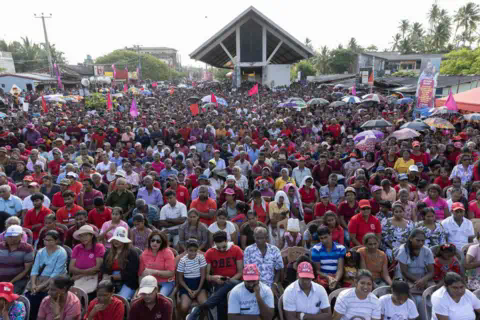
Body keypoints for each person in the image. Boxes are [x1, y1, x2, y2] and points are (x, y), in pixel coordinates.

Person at [187, 231, 244, 320]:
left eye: (224, 247)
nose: (221, 250)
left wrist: (229, 281)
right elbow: (207, 276)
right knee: (221, 298)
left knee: (224, 287)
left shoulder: (236, 249)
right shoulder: (210, 253)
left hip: (236, 281)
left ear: (227, 241)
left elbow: (240, 272)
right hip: (219, 282)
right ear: (214, 244)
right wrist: (214, 277)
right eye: (218, 247)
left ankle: (200, 308)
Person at [26, 230, 67, 320]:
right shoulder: (41, 251)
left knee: (45, 298)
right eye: (45, 240)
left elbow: (56, 273)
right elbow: (35, 269)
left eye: (50, 240)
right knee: (30, 298)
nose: (47, 242)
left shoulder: (62, 253)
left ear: (56, 241)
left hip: (55, 279)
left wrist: (41, 286)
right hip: (40, 278)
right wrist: (33, 284)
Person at [396, 228, 434, 320]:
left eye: (422, 241)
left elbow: (431, 272)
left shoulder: (427, 251)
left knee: (432, 291)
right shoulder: (403, 249)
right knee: (416, 298)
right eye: (418, 240)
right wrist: (418, 281)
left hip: (422, 278)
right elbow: (404, 272)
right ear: (411, 239)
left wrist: (423, 280)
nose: (420, 243)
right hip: (406, 278)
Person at [100, 227, 139, 300]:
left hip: (128, 282)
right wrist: (105, 280)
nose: (116, 241)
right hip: (110, 279)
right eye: (115, 239)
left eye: (119, 239)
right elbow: (104, 269)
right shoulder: (108, 252)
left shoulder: (132, 253)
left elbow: (131, 273)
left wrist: (112, 277)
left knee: (121, 299)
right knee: (103, 296)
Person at [244, 227, 283, 292]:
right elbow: (247, 271)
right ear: (254, 237)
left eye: (262, 238)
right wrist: (253, 286)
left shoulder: (275, 250)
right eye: (257, 238)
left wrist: (275, 284)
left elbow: (279, 270)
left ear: (266, 237)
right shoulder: (248, 250)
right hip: (254, 285)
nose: (259, 240)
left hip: (271, 284)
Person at [69, 225, 105, 297]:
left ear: (91, 236)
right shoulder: (77, 248)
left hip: (93, 277)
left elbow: (97, 267)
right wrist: (84, 273)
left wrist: (81, 274)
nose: (83, 238)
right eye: (81, 236)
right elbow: (71, 268)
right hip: (77, 277)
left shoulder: (99, 247)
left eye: (86, 235)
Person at [177, 239, 208, 319]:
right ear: (186, 250)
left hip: (199, 284)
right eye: (190, 250)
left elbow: (203, 276)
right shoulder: (182, 261)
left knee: (204, 304)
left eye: (195, 250)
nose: (193, 253)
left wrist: (198, 290)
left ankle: (200, 318)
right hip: (187, 285)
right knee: (184, 307)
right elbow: (180, 279)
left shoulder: (201, 258)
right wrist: (188, 290)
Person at [138, 231, 175, 297]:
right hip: (150, 283)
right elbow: (141, 274)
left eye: (158, 241)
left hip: (166, 282)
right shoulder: (145, 253)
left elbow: (171, 273)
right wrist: (141, 287)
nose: (155, 243)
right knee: (140, 297)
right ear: (149, 241)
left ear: (162, 243)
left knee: (159, 298)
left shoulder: (168, 252)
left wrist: (154, 272)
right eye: (153, 240)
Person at [0, 225, 34, 294]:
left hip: (17, 282)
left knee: (8, 298)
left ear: (21, 236)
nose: (11, 238)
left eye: (14, 236)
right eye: (9, 236)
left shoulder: (27, 248)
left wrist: (10, 282)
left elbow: (26, 270)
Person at [310, 225, 346, 291]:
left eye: (326, 237)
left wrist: (335, 280)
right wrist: (328, 277)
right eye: (321, 238)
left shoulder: (341, 248)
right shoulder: (316, 249)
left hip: (337, 277)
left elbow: (340, 269)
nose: (324, 240)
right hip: (322, 278)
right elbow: (317, 270)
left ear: (330, 235)